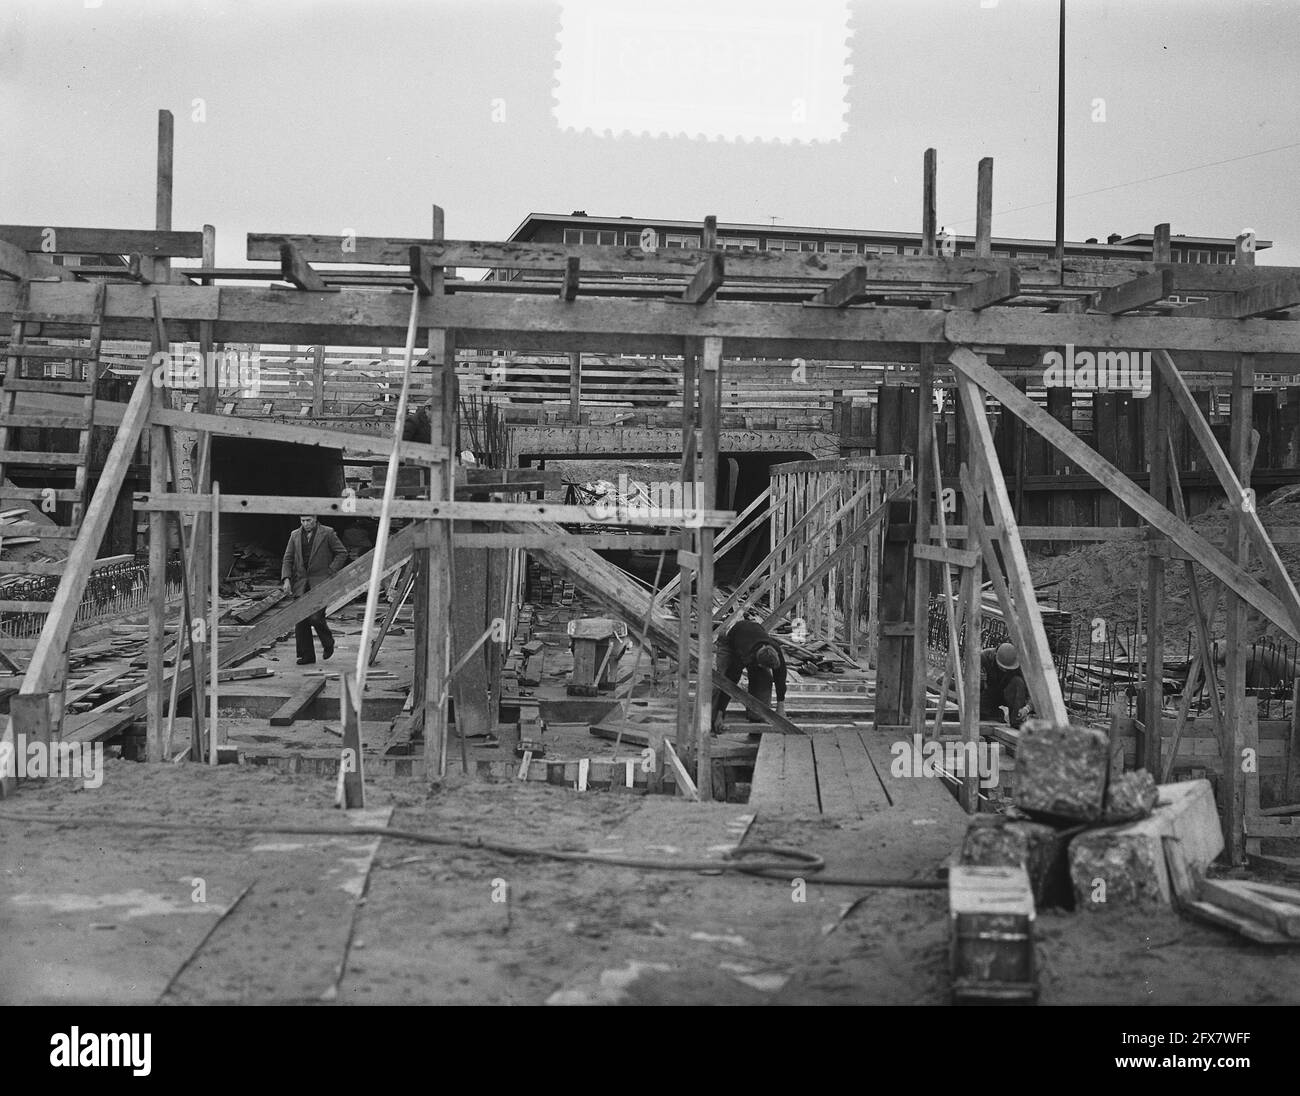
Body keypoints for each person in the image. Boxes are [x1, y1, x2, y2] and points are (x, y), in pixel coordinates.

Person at [281, 515, 348, 665]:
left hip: (321, 582)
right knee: (302, 621)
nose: (305, 524)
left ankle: (328, 642)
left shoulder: (328, 533)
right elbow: (288, 558)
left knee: (316, 618)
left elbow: (342, 553)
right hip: (301, 583)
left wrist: (331, 570)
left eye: (309, 520)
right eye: (303, 521)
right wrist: (286, 579)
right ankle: (307, 656)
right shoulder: (294, 535)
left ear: (315, 519)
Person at [711, 619, 788, 732]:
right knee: (721, 679)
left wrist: (780, 707)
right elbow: (729, 683)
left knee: (764, 679)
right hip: (729, 639)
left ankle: (757, 716)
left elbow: (780, 677)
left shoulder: (774, 648)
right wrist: (720, 713)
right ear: (760, 664)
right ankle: (714, 721)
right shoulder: (742, 656)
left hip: (751, 632)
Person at [980, 641, 1031, 728]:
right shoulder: (984, 657)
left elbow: (1032, 691)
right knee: (980, 713)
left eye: (1007, 669)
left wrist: (1027, 708)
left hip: (1007, 694)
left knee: (1018, 682)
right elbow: (970, 686)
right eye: (1002, 667)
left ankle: (1016, 721)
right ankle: (993, 713)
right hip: (988, 692)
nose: (1004, 670)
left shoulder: (1019, 664)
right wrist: (979, 679)